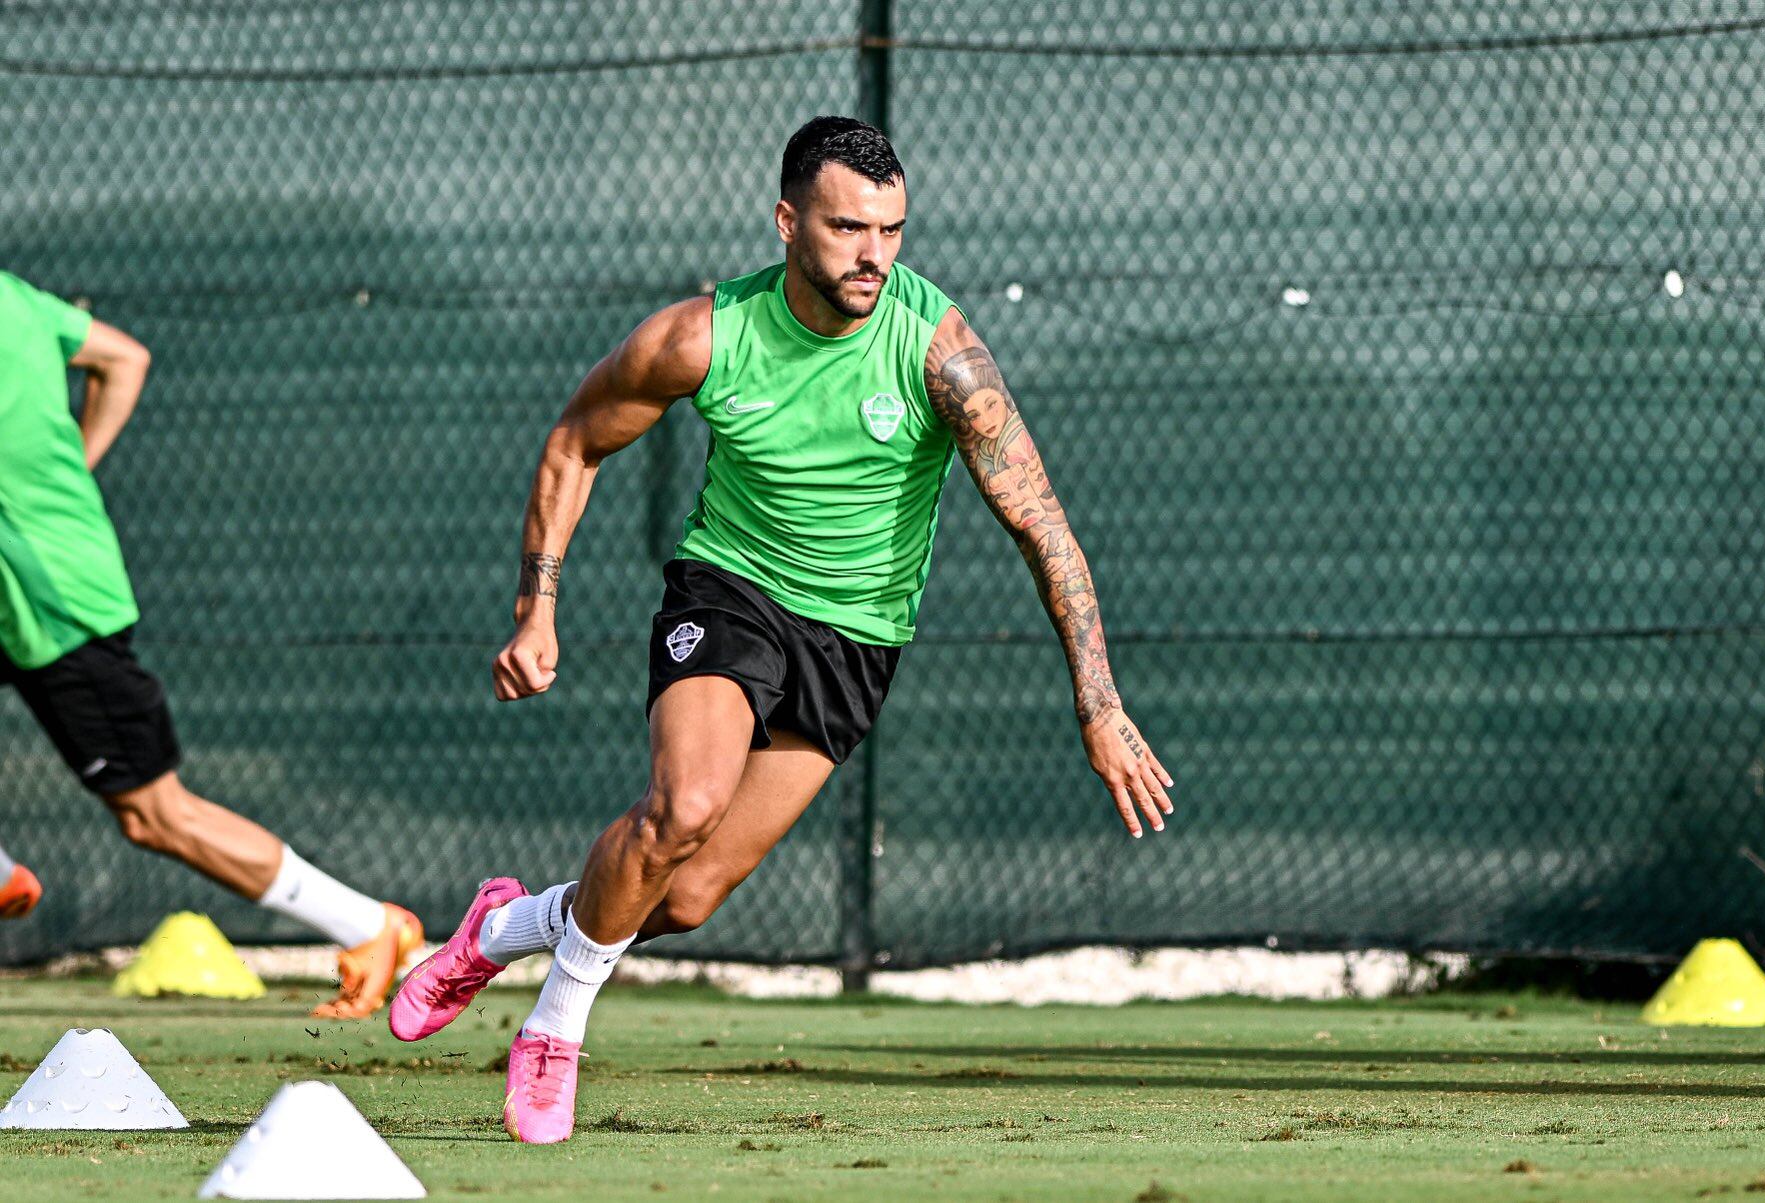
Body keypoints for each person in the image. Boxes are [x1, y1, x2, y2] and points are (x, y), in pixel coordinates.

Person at [389, 116, 1174, 1143]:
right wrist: (536, 608)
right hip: (732, 598)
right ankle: (552, 1033)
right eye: (849, 228)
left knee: (681, 896)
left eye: (892, 230)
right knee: (684, 808)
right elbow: (576, 442)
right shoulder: (701, 337)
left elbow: (1042, 525)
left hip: (857, 643)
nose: (874, 256)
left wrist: (1099, 703)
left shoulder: (942, 353)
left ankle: (500, 927)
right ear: (786, 221)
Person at [0, 270, 421, 1019]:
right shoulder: (16, 297)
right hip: (43, 576)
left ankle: (370, 925)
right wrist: (74, 475)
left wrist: (56, 488)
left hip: (55, 603)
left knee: (155, 814)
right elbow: (123, 357)